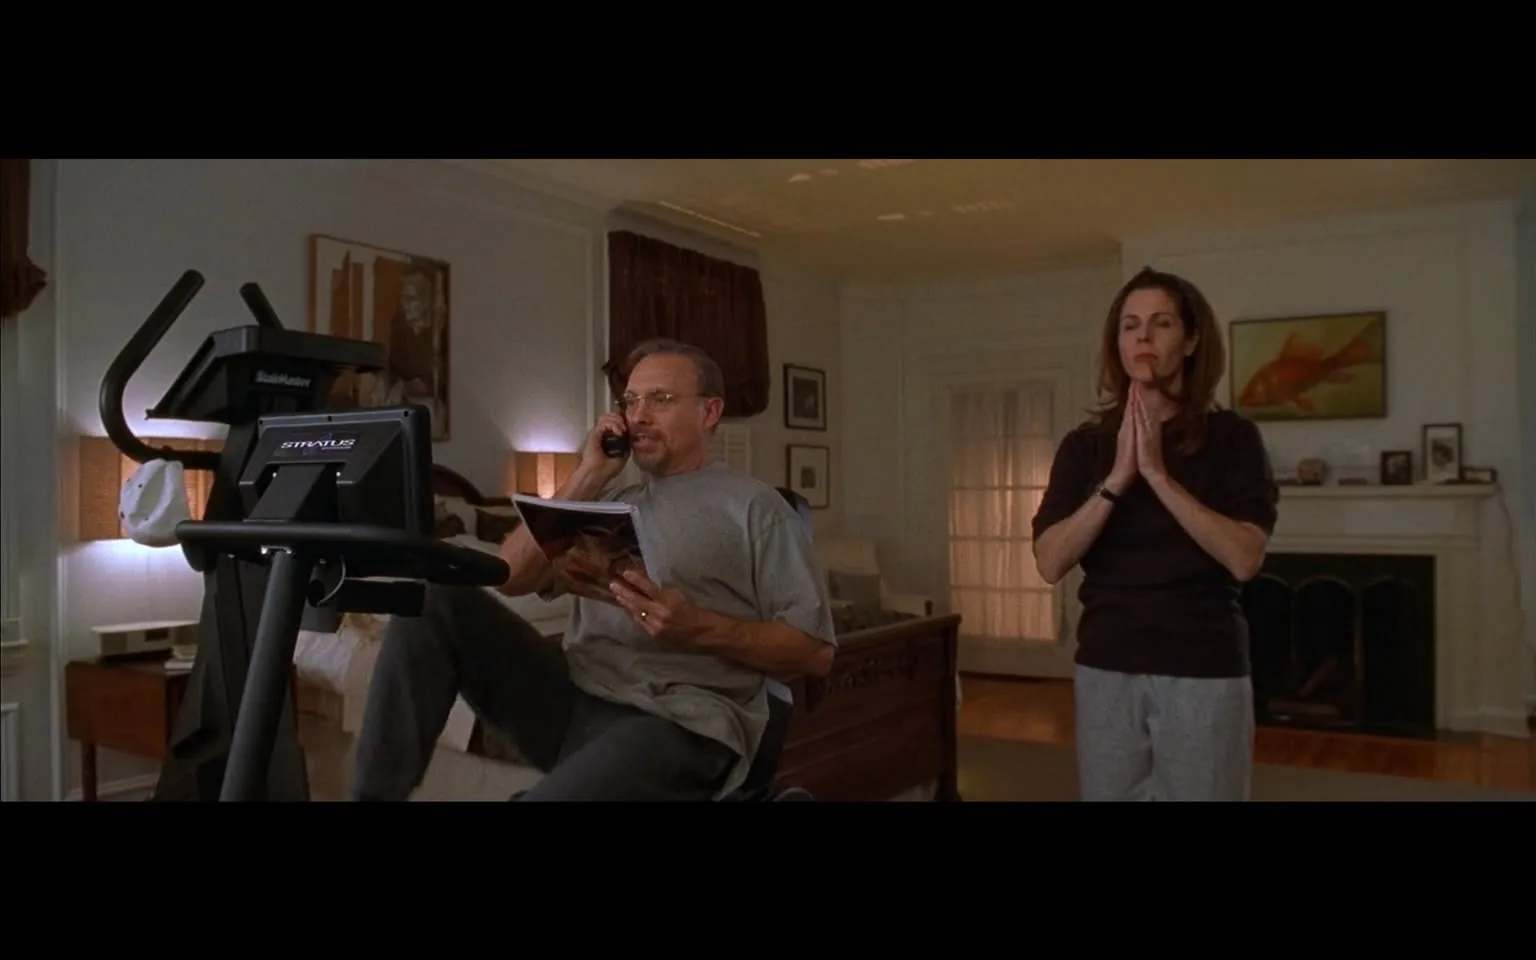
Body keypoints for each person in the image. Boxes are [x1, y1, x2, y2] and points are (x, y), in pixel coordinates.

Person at [351, 338, 837, 801]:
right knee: (436, 602)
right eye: (630, 401)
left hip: (680, 720)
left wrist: (698, 628)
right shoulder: (608, 501)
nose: (639, 416)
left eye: (661, 399)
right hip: (574, 697)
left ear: (709, 412)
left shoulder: (756, 508)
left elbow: (815, 652)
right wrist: (588, 474)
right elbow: (506, 575)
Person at [1030, 267, 1279, 802]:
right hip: (1106, 665)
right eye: (1130, 325)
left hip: (1202, 667)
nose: (1142, 336)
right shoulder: (1084, 447)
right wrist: (1119, 478)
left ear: (1190, 341)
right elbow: (1050, 561)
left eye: (1161, 323)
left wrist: (1158, 474)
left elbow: (1244, 558)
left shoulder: (1234, 439)